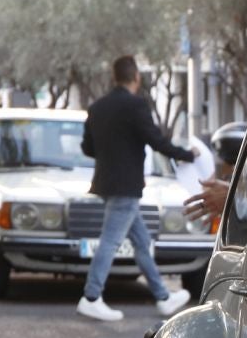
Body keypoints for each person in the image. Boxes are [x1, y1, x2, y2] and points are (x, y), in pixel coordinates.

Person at [76, 56, 194, 323]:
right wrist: (188, 155)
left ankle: (163, 296)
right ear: (136, 77)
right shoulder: (136, 105)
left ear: (115, 77)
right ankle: (91, 297)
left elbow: (87, 148)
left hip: (106, 183)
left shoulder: (97, 107)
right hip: (126, 186)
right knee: (110, 241)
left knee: (141, 242)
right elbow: (156, 141)